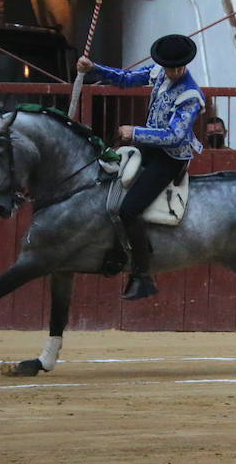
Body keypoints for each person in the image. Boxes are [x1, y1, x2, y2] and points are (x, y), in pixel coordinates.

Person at [76, 34, 205, 300]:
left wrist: (134, 132)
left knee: (130, 209)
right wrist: (94, 69)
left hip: (170, 157)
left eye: (179, 67)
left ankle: (142, 275)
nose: (175, 71)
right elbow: (125, 79)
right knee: (106, 170)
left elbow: (175, 136)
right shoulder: (159, 71)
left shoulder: (191, 95)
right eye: (172, 67)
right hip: (149, 146)